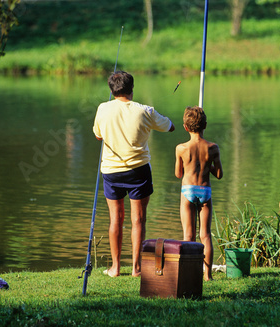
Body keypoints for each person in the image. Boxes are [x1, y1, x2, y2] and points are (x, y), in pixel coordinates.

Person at [93, 71, 175, 277]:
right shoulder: (145, 110)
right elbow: (170, 127)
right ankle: (136, 268)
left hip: (111, 172)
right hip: (138, 171)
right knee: (138, 220)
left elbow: (97, 135)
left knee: (115, 219)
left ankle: (115, 268)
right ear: (132, 88)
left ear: (112, 90)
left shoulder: (103, 108)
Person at [175, 106, 223, 281]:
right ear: (205, 125)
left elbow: (178, 174)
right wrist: (206, 163)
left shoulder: (180, 148)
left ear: (185, 127)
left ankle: (187, 273)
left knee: (188, 235)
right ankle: (208, 275)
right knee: (205, 234)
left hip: (187, 190)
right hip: (205, 191)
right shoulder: (213, 147)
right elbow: (219, 174)